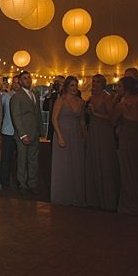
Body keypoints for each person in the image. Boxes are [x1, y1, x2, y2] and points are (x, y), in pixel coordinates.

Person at [113, 76, 138, 215]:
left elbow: (112, 120)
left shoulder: (121, 105)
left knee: (127, 169)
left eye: (119, 86)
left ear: (126, 88)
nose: (117, 89)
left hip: (127, 137)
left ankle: (130, 204)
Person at [50, 76, 87, 206]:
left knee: (76, 163)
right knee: (63, 164)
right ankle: (62, 195)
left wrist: (84, 135)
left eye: (76, 85)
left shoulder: (81, 102)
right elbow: (54, 119)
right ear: (66, 87)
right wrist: (60, 136)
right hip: (63, 133)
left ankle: (75, 195)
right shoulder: (61, 100)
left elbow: (82, 121)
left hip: (75, 134)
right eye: (72, 85)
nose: (74, 88)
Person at [85, 74, 119, 211]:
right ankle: (94, 197)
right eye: (93, 81)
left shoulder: (107, 97)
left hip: (104, 131)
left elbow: (112, 117)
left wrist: (95, 113)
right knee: (93, 160)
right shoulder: (91, 97)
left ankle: (107, 198)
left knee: (104, 161)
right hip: (93, 130)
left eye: (97, 82)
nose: (94, 84)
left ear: (103, 84)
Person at [10, 71, 41, 195]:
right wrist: (23, 134)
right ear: (20, 81)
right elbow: (16, 117)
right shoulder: (17, 97)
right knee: (22, 160)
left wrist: (40, 130)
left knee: (33, 160)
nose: (27, 80)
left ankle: (32, 183)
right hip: (23, 134)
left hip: (34, 132)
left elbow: (37, 113)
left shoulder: (35, 94)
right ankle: (22, 184)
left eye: (29, 77)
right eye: (24, 78)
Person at [0, 78, 19, 190]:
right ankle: (5, 181)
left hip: (21, 132)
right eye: (14, 82)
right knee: (6, 158)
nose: (16, 84)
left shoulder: (24, 96)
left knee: (20, 159)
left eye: (18, 82)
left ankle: (20, 181)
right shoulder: (6, 96)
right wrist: (1, 91)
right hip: (8, 131)